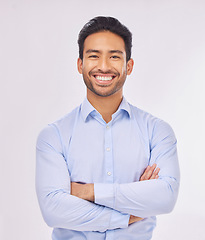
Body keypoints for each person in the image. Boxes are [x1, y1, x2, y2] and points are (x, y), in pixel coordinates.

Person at [36, 16, 180, 240]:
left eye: (114, 56)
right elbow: (53, 211)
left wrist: (87, 191)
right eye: (94, 56)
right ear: (80, 64)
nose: (103, 66)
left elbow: (166, 197)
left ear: (128, 66)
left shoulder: (157, 131)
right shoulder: (53, 136)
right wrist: (131, 212)